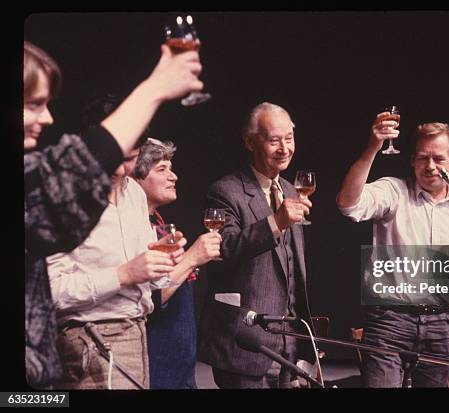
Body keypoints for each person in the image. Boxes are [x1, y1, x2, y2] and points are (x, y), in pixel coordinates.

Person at [25, 39, 202, 388]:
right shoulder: (57, 197)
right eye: (34, 103)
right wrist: (123, 273)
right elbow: (53, 291)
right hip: (89, 340)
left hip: (137, 334)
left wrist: (160, 260)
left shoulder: (135, 194)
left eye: (131, 159)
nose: (47, 117)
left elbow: (149, 284)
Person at [336, 115, 449, 387]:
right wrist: (373, 146)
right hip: (389, 322)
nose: (430, 166)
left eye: (439, 158)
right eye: (422, 158)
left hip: (440, 326)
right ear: (412, 160)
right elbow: (348, 204)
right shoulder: (394, 191)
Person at [199, 102, 314, 389]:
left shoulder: (290, 189)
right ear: (250, 142)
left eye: (289, 138)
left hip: (288, 348)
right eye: (274, 140)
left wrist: (301, 347)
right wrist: (276, 221)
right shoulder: (226, 191)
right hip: (244, 346)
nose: (285, 148)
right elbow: (221, 251)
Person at [132, 138, 221, 389]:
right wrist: (192, 258)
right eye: (162, 169)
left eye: (171, 168)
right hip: (155, 371)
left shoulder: (157, 223)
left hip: (180, 369)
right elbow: (153, 299)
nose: (174, 177)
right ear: (135, 177)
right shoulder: (132, 229)